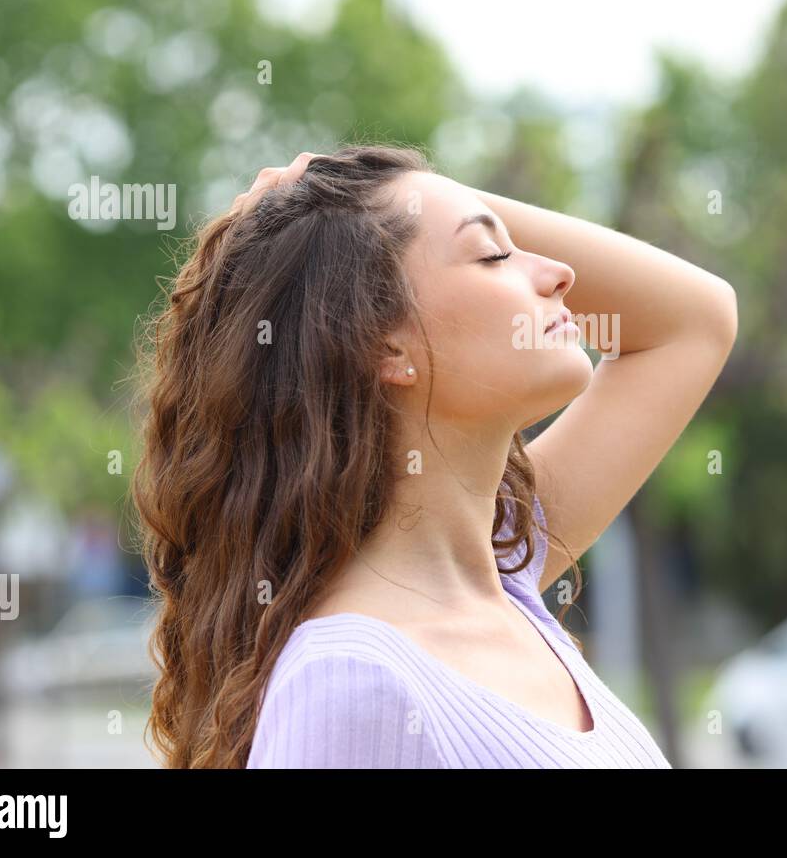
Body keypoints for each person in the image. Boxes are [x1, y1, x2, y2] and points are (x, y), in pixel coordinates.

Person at [132, 144, 737, 767]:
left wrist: (367, 195)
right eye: (494, 255)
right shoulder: (349, 683)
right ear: (381, 342)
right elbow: (692, 324)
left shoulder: (507, 581)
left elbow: (697, 320)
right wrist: (369, 210)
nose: (560, 275)